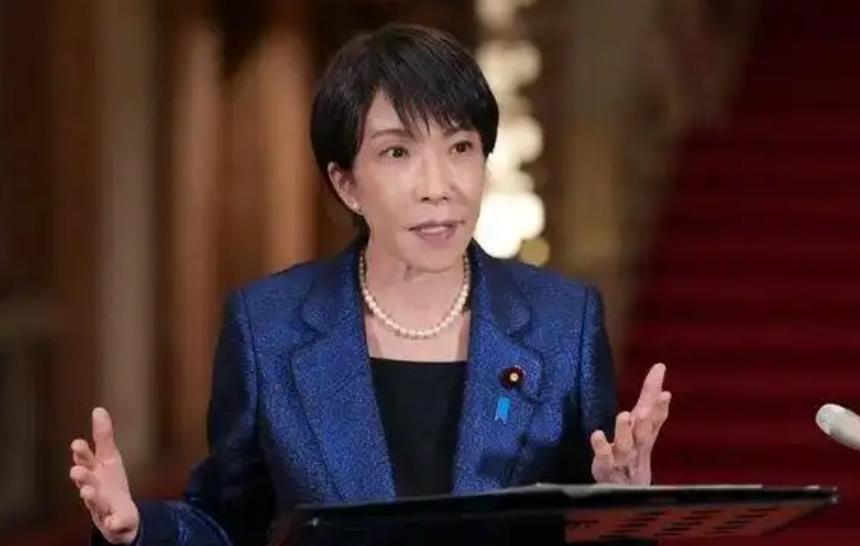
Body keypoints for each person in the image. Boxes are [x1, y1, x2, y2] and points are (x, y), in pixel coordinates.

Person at [69, 23, 671, 546]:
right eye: (397, 153)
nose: (438, 186)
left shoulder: (565, 322)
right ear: (346, 184)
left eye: (460, 146)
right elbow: (229, 523)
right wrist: (137, 528)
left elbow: (591, 526)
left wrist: (622, 501)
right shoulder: (268, 326)